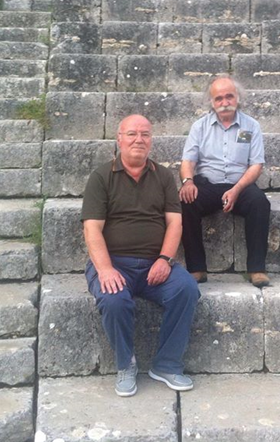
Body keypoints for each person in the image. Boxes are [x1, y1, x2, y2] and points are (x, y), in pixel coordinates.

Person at [82, 114, 199, 397]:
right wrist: (105, 269)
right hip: (114, 263)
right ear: (119, 139)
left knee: (186, 289)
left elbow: (175, 223)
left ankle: (167, 365)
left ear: (151, 140)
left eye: (145, 134)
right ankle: (126, 365)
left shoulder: (163, 176)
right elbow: (92, 228)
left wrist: (165, 260)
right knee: (114, 300)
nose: (139, 139)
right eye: (132, 134)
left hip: (153, 263)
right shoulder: (101, 176)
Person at [179, 77, 271, 288]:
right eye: (218, 98)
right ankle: (196, 268)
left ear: (238, 98)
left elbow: (256, 165)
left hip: (241, 185)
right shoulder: (200, 127)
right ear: (212, 102)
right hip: (208, 185)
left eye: (229, 96)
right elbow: (188, 161)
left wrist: (237, 189)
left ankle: (257, 269)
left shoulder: (251, 126)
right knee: (185, 201)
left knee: (260, 203)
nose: (224, 102)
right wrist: (187, 182)